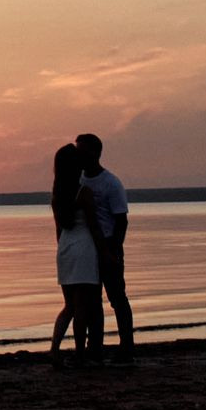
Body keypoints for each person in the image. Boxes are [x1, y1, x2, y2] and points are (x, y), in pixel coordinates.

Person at [76, 131, 134, 359]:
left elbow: (121, 219)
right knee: (91, 300)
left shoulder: (111, 183)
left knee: (117, 297)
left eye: (82, 150)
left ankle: (127, 345)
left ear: (95, 153)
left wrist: (114, 250)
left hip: (109, 244)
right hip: (86, 246)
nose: (78, 155)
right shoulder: (77, 179)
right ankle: (95, 347)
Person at [50, 144, 104, 361]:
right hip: (84, 247)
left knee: (69, 305)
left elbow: (58, 230)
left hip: (65, 247)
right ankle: (80, 352)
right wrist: (105, 252)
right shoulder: (84, 192)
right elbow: (94, 226)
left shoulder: (57, 196)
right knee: (82, 305)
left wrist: (62, 251)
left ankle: (54, 349)